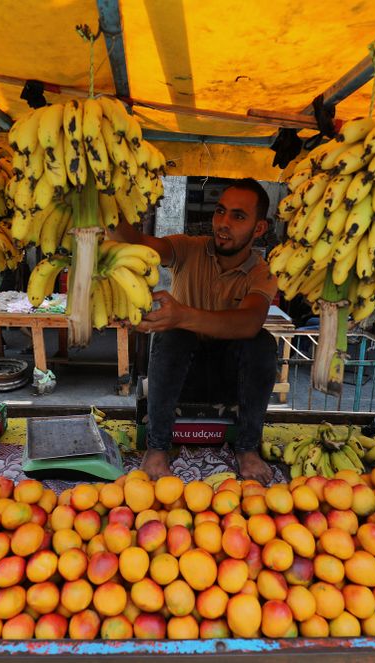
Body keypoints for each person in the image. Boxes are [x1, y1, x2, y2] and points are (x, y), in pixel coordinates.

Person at [111, 178, 278, 482]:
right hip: (179, 377)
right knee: (174, 335)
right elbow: (138, 244)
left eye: (238, 216)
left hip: (231, 382)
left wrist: (181, 314)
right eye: (220, 211)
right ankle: (158, 448)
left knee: (262, 342)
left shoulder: (261, 272)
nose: (223, 224)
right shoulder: (188, 248)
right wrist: (108, 205)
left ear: (259, 228)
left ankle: (247, 449)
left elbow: (249, 321)